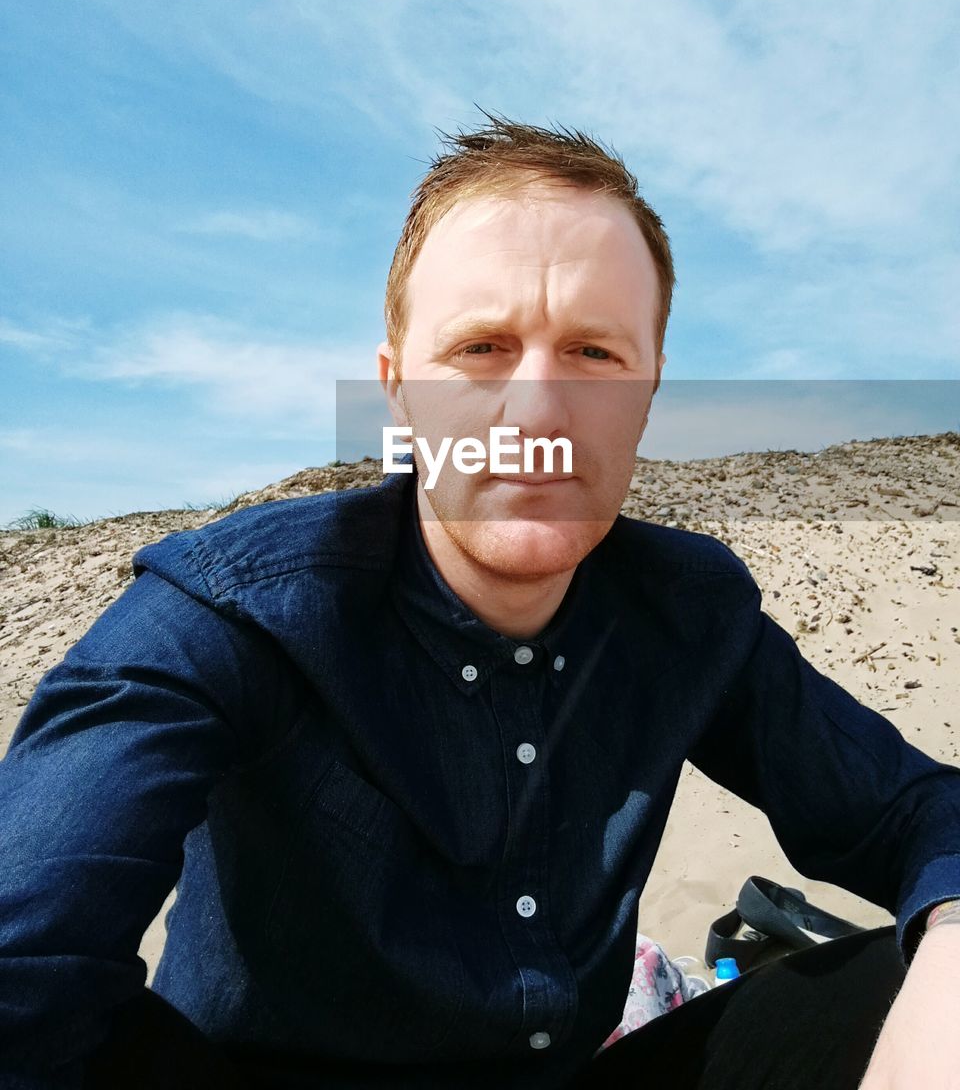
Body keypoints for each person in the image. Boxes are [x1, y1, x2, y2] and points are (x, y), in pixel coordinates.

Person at [1, 114, 959, 1090]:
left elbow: (920, 811)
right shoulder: (231, 613)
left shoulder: (684, 612)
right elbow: (23, 968)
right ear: (398, 393)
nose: (539, 411)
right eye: (482, 347)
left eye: (594, 353)